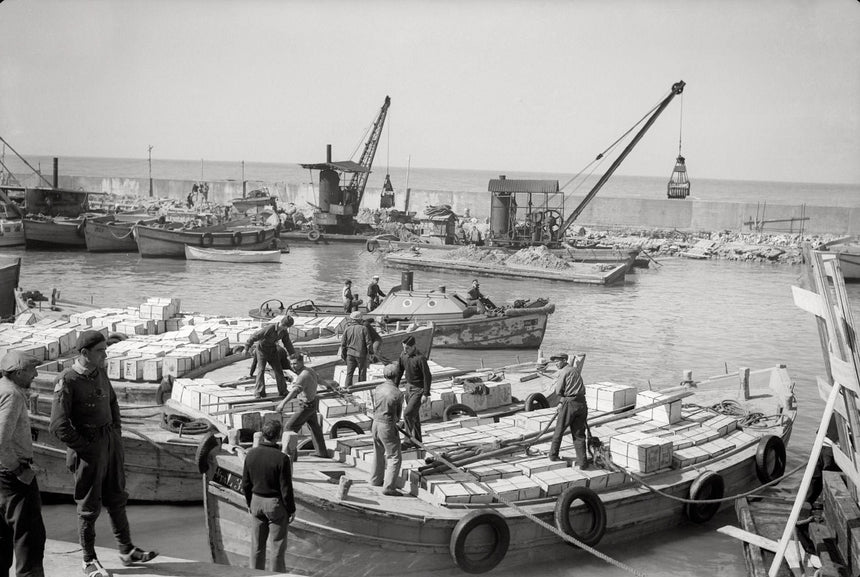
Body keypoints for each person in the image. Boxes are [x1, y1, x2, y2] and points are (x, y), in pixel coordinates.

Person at [49, 330, 157, 577]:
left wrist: (115, 433)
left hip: (109, 443)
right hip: (88, 449)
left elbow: (112, 403)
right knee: (88, 507)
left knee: (117, 496)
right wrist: (86, 447)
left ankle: (126, 549)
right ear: (84, 353)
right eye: (100, 351)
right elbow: (57, 426)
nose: (105, 355)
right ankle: (88, 560)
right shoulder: (67, 380)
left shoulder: (100, 372)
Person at [0, 351, 46, 577]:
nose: (35, 375)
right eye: (31, 370)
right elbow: (1, 441)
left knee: (2, 538)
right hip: (12, 477)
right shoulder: (13, 395)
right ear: (18, 373)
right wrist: (19, 470)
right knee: (30, 538)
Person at [241, 420, 295, 573]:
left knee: (257, 546)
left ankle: (255, 575)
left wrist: (249, 503)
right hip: (275, 505)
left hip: (256, 501)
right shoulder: (282, 458)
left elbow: (245, 483)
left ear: (263, 434)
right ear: (278, 436)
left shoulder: (251, 454)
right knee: (277, 547)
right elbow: (286, 488)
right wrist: (291, 509)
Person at [274, 353, 330, 459]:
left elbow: (295, 391)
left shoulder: (303, 376)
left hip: (306, 406)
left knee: (289, 428)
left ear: (301, 362)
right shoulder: (310, 370)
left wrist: (282, 403)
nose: (293, 366)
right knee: (315, 428)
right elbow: (319, 380)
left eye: (295, 363)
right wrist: (328, 385)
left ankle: (291, 456)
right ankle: (322, 452)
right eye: (291, 364)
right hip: (312, 403)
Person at [548, 353, 589, 469]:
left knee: (559, 430)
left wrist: (562, 400)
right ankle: (583, 463)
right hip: (582, 403)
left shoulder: (563, 372)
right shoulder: (575, 370)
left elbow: (558, 391)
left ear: (564, 360)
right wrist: (562, 401)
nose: (556, 364)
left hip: (570, 403)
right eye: (554, 362)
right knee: (579, 434)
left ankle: (553, 455)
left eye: (558, 361)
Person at [370, 363, 404, 497]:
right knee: (394, 456)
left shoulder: (378, 388)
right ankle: (389, 487)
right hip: (387, 426)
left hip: (375, 423)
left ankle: (375, 480)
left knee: (378, 452)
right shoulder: (397, 393)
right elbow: (397, 416)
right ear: (397, 376)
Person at [244, 316, 296, 399]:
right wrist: (246, 348)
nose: (284, 328)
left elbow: (287, 342)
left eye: (286, 327)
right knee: (261, 370)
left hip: (273, 351)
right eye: (283, 326)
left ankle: (283, 391)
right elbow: (254, 336)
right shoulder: (269, 328)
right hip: (262, 351)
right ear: (281, 323)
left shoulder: (284, 332)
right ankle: (259, 392)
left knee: (278, 370)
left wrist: (292, 353)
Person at [394, 335, 432, 445]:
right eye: (404, 347)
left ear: (413, 346)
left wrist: (426, 393)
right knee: (414, 416)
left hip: (418, 390)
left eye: (407, 348)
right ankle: (418, 441)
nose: (405, 350)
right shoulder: (403, 355)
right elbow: (399, 371)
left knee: (407, 414)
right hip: (408, 388)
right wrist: (394, 386)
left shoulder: (420, 358)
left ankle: (407, 441)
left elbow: (427, 376)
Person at [340, 311, 379, 390]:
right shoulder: (364, 329)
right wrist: (371, 354)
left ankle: (347, 390)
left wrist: (343, 355)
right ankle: (361, 390)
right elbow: (369, 343)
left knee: (349, 374)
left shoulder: (347, 329)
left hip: (350, 355)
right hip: (361, 355)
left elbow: (343, 344)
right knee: (362, 374)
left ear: (352, 319)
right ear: (360, 319)